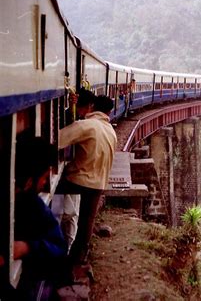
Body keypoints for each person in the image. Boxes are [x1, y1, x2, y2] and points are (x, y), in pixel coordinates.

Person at [0, 136, 68, 300]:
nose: (45, 183)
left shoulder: (32, 204)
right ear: (30, 180)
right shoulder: (31, 203)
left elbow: (59, 248)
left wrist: (27, 247)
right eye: (45, 177)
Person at [57, 95, 117, 265]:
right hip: (99, 184)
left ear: (92, 107)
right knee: (86, 224)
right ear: (109, 112)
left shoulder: (86, 125)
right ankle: (78, 259)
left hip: (79, 181)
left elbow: (58, 140)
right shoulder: (110, 130)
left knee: (51, 196)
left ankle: (55, 247)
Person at [52, 88, 97, 253]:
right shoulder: (86, 123)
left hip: (72, 175)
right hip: (75, 175)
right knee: (71, 215)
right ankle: (67, 249)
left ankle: (64, 250)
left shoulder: (82, 124)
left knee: (65, 214)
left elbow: (60, 138)